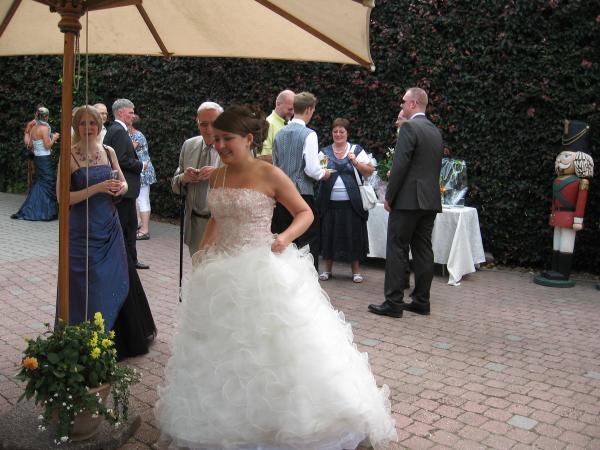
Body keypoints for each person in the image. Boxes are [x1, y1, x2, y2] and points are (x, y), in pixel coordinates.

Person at [155, 105, 397, 450]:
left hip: (261, 270)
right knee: (223, 352)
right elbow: (216, 219)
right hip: (221, 274)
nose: (219, 145)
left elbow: (305, 212)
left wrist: (284, 238)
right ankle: (230, 422)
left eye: (226, 139)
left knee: (276, 348)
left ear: (248, 139)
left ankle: (291, 423)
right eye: (216, 138)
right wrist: (201, 255)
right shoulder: (218, 176)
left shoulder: (269, 174)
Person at [57, 105, 156, 359]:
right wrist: (98, 188)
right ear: (76, 126)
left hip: (109, 225)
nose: (88, 127)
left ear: (99, 126)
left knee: (114, 276)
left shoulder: (109, 151)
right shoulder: (68, 155)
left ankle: (115, 340)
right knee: (85, 281)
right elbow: (63, 197)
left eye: (92, 123)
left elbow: (123, 183)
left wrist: (120, 189)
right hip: (82, 229)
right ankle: (83, 337)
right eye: (83, 123)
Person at [369, 87, 443, 318]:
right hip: (430, 200)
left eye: (403, 102)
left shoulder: (409, 127)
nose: (401, 105)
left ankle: (393, 302)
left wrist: (389, 197)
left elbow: (400, 166)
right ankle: (422, 301)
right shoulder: (435, 131)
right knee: (423, 249)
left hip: (408, 200)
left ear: (413, 104)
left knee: (397, 248)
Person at [272, 91, 331, 272]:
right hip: (302, 195)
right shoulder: (309, 134)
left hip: (281, 197)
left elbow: (275, 167)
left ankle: (282, 279)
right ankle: (307, 282)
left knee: (285, 242)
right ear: (309, 109)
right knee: (307, 242)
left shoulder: (279, 134)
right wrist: (324, 173)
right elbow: (311, 169)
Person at [316, 118, 374, 283]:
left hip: (352, 205)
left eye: (341, 131)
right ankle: (327, 270)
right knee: (329, 235)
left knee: (353, 236)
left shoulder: (356, 150)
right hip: (329, 204)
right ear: (331, 133)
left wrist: (355, 162)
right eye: (335, 131)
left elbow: (369, 171)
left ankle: (356, 272)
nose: (338, 134)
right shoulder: (324, 152)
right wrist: (323, 173)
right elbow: (319, 173)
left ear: (347, 133)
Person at [171, 101, 223, 256]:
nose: (209, 129)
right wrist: (184, 178)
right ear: (197, 123)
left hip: (223, 226)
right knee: (198, 269)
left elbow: (247, 184)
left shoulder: (234, 147)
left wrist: (219, 174)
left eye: (214, 123)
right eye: (204, 124)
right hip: (195, 225)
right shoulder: (189, 145)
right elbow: (175, 184)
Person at [104, 98, 150, 270]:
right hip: (124, 189)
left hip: (125, 189)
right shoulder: (118, 131)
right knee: (125, 227)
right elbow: (121, 159)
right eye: (131, 112)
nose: (133, 116)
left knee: (129, 226)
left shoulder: (115, 130)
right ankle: (126, 262)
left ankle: (130, 260)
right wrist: (140, 165)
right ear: (121, 112)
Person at [11, 106, 59, 221]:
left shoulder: (33, 128)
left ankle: (34, 208)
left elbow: (31, 145)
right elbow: (47, 146)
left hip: (38, 159)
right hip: (45, 159)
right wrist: (54, 138)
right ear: (46, 116)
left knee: (41, 183)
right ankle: (44, 212)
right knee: (48, 183)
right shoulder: (44, 128)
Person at [128, 114, 156, 240]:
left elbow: (129, 149)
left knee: (142, 200)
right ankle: (139, 224)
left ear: (131, 123)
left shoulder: (138, 136)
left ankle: (145, 230)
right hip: (139, 171)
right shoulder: (131, 135)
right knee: (137, 200)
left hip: (143, 172)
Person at [259, 89, 295, 161]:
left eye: (294, 109)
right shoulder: (267, 125)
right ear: (278, 104)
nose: (293, 113)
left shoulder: (291, 123)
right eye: (290, 109)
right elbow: (262, 157)